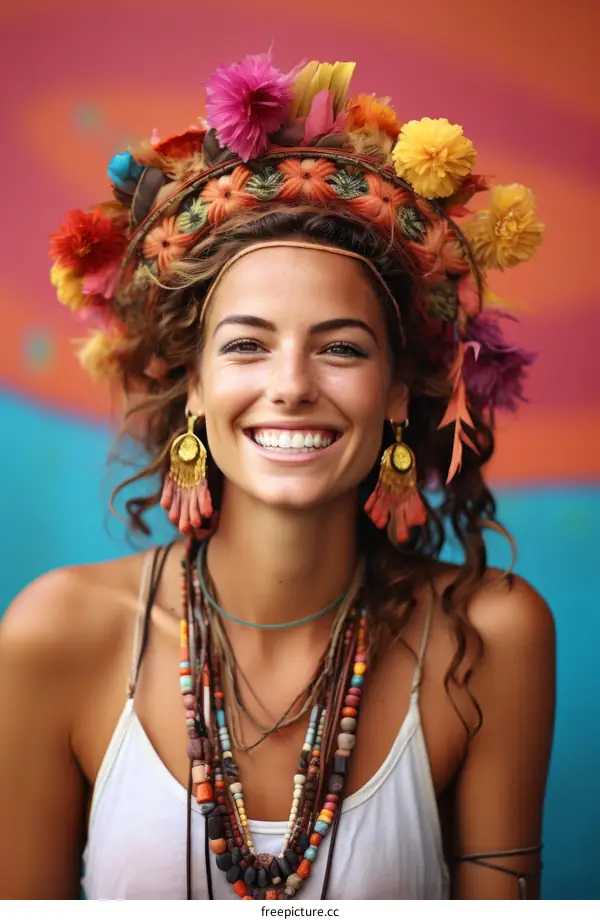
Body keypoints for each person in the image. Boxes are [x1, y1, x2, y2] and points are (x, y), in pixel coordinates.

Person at [0, 54, 555, 900]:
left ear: (397, 394)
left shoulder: (491, 638)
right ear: (193, 385)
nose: (292, 385)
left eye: (340, 347)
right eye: (247, 344)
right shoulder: (58, 633)